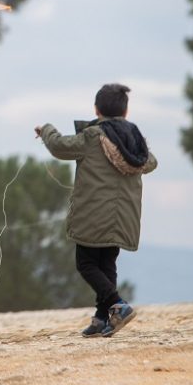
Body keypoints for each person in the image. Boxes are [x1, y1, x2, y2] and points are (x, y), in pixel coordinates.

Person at [35, 83, 157, 338]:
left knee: (86, 264)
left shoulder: (93, 137)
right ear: (126, 112)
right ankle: (102, 319)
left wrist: (45, 129)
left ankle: (118, 304)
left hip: (93, 214)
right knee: (106, 263)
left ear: (96, 109)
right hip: (123, 217)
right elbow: (151, 162)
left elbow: (60, 146)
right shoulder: (134, 138)